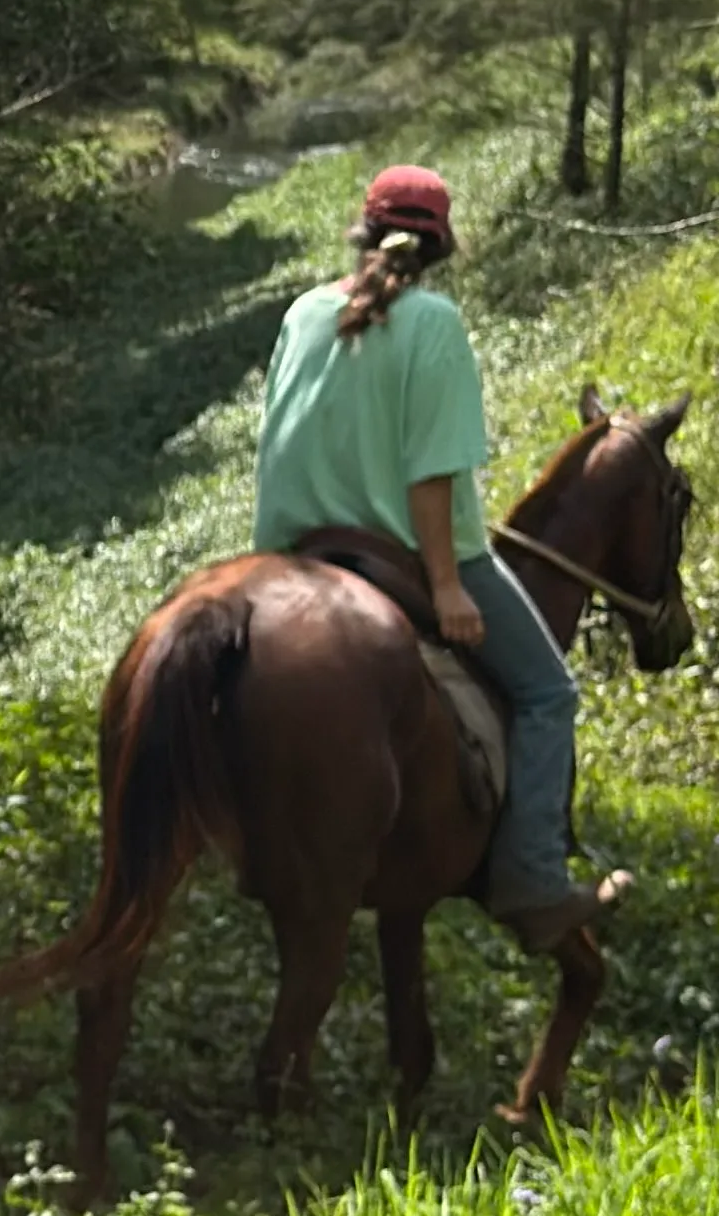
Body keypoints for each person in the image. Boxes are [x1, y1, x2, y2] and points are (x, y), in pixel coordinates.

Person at [246, 164, 596, 948]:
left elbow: (273, 443)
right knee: (547, 695)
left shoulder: (305, 312)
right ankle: (534, 877)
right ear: (442, 249)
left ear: (364, 233)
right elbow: (432, 472)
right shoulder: (433, 323)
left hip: (294, 554)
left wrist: (266, 562)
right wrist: (446, 588)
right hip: (406, 556)